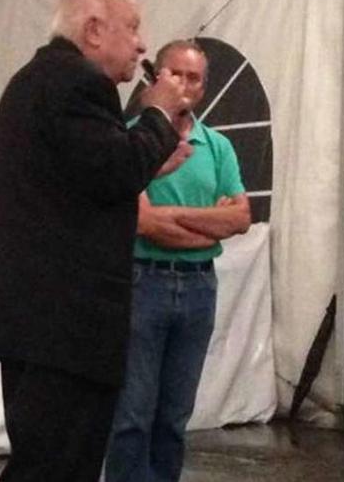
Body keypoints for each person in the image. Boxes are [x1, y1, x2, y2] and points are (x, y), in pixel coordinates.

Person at [0, 0, 191, 481]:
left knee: (45, 462)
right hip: (64, 320)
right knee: (57, 467)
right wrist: (156, 113)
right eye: (132, 27)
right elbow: (114, 169)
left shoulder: (40, 80)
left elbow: (84, 182)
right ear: (92, 30)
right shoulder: (78, 82)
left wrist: (149, 155)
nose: (143, 45)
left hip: (40, 316)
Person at [105, 40, 252, 482]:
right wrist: (209, 223)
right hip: (141, 283)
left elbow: (242, 217)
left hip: (198, 289)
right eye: (176, 74)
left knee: (174, 418)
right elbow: (141, 222)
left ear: (204, 88)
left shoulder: (218, 147)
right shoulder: (131, 138)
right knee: (132, 416)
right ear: (157, 77)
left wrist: (172, 217)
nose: (185, 86)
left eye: (195, 78)